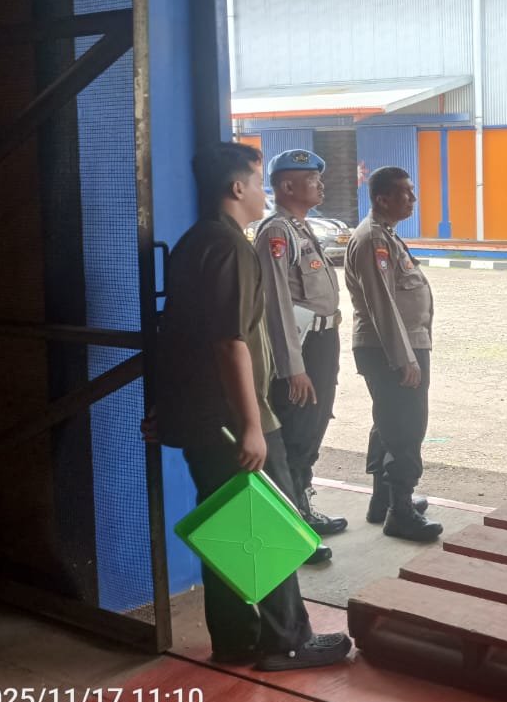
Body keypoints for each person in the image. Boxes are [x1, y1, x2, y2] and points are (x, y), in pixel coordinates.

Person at [150, 141, 350, 671]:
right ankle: (288, 640)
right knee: (270, 524)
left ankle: (237, 638)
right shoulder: (230, 246)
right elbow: (228, 343)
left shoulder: (193, 243)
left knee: (231, 528)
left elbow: (173, 335)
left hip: (200, 417)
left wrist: (166, 408)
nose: (262, 193)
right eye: (259, 182)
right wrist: (252, 425)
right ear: (237, 187)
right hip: (230, 419)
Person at [254, 149, 347, 565]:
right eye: (311, 179)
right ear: (287, 186)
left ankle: (302, 508)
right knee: (294, 434)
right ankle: (291, 529)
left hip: (322, 341)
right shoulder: (276, 234)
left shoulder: (302, 230)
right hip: (301, 346)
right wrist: (294, 367)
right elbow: (275, 304)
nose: (320, 184)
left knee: (311, 428)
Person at [344, 166, 440, 542]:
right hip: (392, 347)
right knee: (406, 426)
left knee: (388, 421)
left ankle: (383, 500)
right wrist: (405, 358)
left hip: (399, 344)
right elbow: (382, 304)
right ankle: (400, 511)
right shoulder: (373, 240)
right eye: (405, 193)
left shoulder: (385, 235)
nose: (412, 200)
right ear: (382, 198)